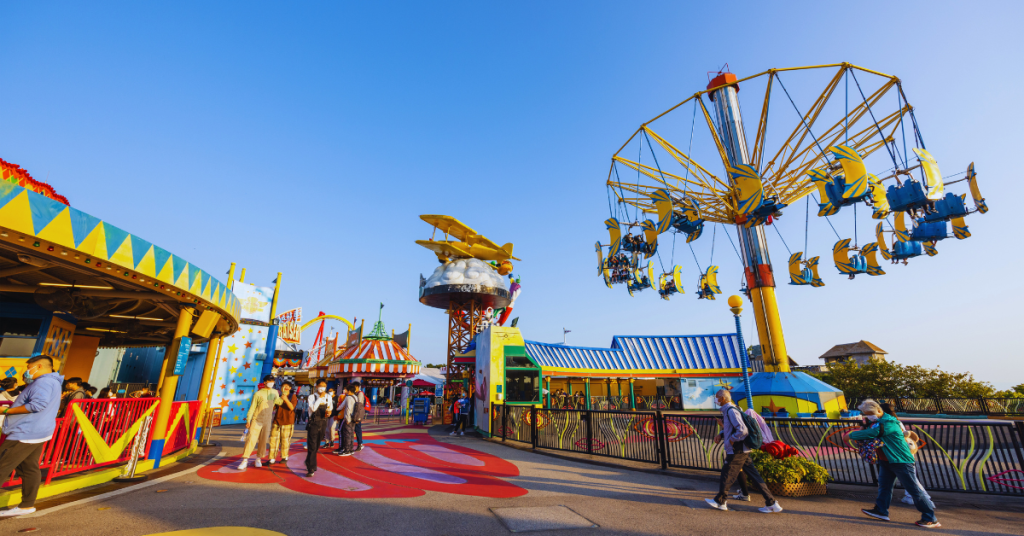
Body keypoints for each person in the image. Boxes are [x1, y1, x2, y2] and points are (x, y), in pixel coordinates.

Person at [849, 399, 939, 528]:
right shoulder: (877, 422)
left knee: (914, 490)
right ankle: (881, 510)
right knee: (885, 486)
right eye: (865, 414)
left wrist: (851, 435)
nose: (868, 416)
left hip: (900, 461)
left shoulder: (889, 423)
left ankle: (930, 518)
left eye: (869, 413)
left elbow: (874, 433)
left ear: (879, 411)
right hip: (887, 460)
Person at [0, 356, 63, 517]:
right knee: (28, 468)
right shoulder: (54, 382)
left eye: (29, 367)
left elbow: (37, 405)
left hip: (25, 431)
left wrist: (6, 411)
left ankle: (26, 505)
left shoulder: (43, 382)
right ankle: (26, 505)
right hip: (39, 431)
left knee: (2, 466)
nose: (27, 371)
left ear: (39, 366)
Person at [704, 389, 782, 513]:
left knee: (727, 473)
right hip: (743, 449)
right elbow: (732, 428)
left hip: (738, 449)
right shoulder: (733, 410)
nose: (716, 400)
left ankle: (720, 501)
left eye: (717, 397)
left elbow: (742, 430)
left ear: (723, 399)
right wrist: (721, 434)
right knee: (755, 476)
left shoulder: (730, 411)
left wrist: (731, 440)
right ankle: (772, 503)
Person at [878, 402, 931, 506]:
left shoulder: (889, 423)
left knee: (910, 481)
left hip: (898, 455)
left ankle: (926, 504)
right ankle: (882, 508)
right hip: (901, 454)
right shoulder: (896, 421)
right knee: (908, 479)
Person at [237, 375, 280, 471]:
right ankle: (245, 460)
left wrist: (285, 396)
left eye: (272, 381)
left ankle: (258, 458)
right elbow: (252, 408)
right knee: (251, 439)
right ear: (264, 382)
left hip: (268, 420)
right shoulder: (258, 394)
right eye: (269, 381)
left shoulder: (275, 392)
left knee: (263, 440)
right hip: (257, 419)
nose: (271, 382)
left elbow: (278, 402)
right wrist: (248, 420)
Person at [304, 380, 332, 477]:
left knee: (316, 446)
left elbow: (330, 408)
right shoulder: (312, 397)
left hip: (323, 423)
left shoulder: (328, 397)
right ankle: (311, 468)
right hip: (313, 423)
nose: (322, 387)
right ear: (316, 386)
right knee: (312, 446)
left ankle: (308, 461)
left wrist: (329, 412)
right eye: (320, 385)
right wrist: (320, 398)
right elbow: (313, 408)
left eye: (324, 386)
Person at [268, 382, 297, 465]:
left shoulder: (293, 396)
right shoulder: (277, 397)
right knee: (273, 440)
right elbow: (272, 408)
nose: (285, 388)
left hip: (288, 421)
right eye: (283, 386)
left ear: (290, 388)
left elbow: (291, 407)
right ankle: (272, 458)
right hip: (277, 421)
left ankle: (284, 457)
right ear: (281, 388)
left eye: (287, 386)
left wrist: (286, 399)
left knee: (285, 441)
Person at [335, 384, 358, 456]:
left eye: (346, 389)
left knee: (346, 433)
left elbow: (348, 408)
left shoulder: (348, 398)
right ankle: (350, 449)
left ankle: (346, 450)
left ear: (349, 391)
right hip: (354, 418)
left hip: (348, 418)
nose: (345, 391)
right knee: (351, 434)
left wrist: (347, 418)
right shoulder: (355, 397)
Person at [351, 382, 366, 451]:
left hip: (357, 414)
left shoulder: (360, 394)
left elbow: (358, 405)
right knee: (355, 429)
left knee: (357, 429)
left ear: (357, 387)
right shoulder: (356, 393)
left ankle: (360, 444)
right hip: (355, 413)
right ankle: (358, 443)